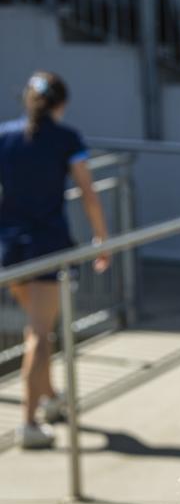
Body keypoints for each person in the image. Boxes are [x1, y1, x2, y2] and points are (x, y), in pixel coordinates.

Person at [0, 72, 109, 449]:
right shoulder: (67, 139)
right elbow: (88, 193)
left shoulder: (6, 136)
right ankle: (29, 423)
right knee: (40, 335)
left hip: (10, 250)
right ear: (60, 104)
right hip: (47, 247)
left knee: (37, 329)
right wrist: (102, 240)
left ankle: (50, 396)